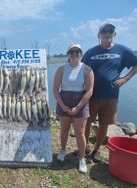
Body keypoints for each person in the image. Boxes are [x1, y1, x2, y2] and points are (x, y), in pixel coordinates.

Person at [82, 23, 137, 162]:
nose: (107, 39)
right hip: (91, 95)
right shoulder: (91, 52)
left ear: (114, 35)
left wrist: (126, 78)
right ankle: (85, 146)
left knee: (104, 125)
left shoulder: (123, 50)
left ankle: (96, 150)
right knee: (87, 123)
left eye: (110, 36)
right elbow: (81, 70)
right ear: (99, 36)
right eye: (104, 36)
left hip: (111, 97)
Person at [53, 43, 94, 173]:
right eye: (72, 52)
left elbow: (89, 91)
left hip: (80, 102)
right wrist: (63, 105)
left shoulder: (87, 69)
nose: (75, 54)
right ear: (68, 54)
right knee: (64, 129)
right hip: (63, 100)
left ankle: (82, 158)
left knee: (80, 133)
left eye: (78, 52)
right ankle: (63, 150)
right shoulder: (61, 69)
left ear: (81, 54)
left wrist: (78, 106)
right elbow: (55, 90)